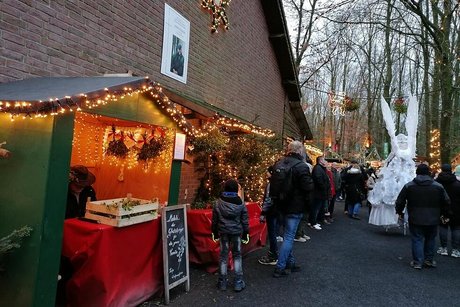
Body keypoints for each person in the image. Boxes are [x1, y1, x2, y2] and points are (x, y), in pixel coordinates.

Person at [395, 164, 451, 270]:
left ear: (416, 173)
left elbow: (400, 201)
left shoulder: (409, 186)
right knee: (430, 239)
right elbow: (446, 201)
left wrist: (399, 212)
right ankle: (428, 260)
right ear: (429, 173)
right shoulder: (438, 186)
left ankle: (417, 262)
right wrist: (445, 213)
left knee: (417, 239)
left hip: (415, 216)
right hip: (433, 217)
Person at [272, 141, 314, 278]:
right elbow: (308, 188)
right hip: (295, 206)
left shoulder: (279, 163)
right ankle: (280, 267)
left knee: (286, 236)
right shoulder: (302, 166)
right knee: (289, 237)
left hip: (280, 205)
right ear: (300, 151)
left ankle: (290, 262)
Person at [211, 179, 249, 292]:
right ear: (236, 190)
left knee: (223, 256)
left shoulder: (218, 202)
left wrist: (214, 232)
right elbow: (245, 220)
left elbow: (214, 220)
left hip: (223, 232)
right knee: (237, 255)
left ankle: (222, 282)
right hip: (236, 233)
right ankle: (238, 282)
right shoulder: (240, 203)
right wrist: (246, 233)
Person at [435, 164, 460, 257]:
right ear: (451, 170)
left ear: (441, 169)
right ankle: (455, 250)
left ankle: (443, 248)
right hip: (456, 209)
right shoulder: (457, 183)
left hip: (442, 208)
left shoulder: (437, 183)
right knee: (456, 228)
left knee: (443, 227)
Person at [258, 166, 279, 265]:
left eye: (267, 172)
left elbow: (268, 200)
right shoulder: (280, 182)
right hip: (278, 210)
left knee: (272, 233)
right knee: (274, 232)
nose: (266, 174)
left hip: (271, 211)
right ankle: (277, 254)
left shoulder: (271, 184)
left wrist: (263, 213)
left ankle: (273, 255)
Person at [309, 156, 330, 229]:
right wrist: (324, 187)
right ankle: (313, 222)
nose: (325, 161)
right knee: (315, 208)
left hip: (320, 192)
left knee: (317, 207)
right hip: (318, 192)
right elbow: (318, 180)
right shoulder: (318, 168)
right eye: (324, 160)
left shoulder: (320, 168)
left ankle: (313, 221)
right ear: (320, 161)